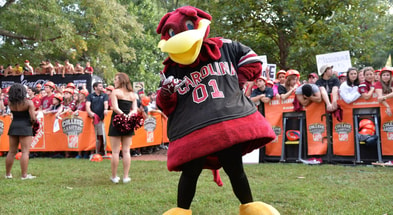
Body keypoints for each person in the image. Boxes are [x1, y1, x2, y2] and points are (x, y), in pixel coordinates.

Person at [107, 73, 138, 184]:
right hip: (129, 122)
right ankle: (125, 177)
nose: (114, 81)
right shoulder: (132, 94)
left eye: (116, 79)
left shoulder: (115, 92)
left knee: (115, 152)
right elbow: (135, 109)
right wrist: (128, 116)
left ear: (121, 80)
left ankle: (114, 177)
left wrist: (123, 115)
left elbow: (115, 108)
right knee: (126, 151)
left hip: (117, 121)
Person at [5, 83, 37, 180]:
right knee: (25, 152)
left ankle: (8, 174)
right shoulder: (28, 103)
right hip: (25, 126)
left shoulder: (10, 102)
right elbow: (33, 118)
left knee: (11, 152)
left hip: (14, 125)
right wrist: (32, 124)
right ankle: (24, 175)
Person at [86, 82, 109, 155]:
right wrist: (90, 113)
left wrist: (105, 109)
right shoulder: (90, 96)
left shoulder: (104, 95)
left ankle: (104, 151)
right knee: (94, 136)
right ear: (95, 88)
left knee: (103, 135)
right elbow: (87, 106)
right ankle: (95, 152)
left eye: (102, 86)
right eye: (100, 86)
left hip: (102, 119)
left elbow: (106, 103)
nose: (102, 87)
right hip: (93, 119)